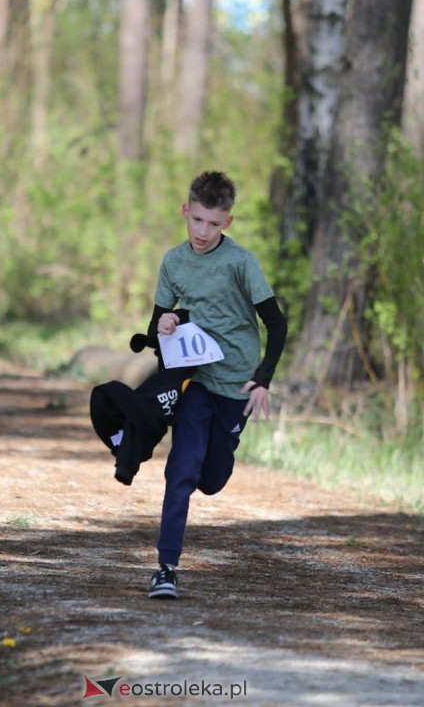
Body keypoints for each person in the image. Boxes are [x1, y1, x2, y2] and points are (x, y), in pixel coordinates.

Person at [144, 170, 288, 599]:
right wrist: (164, 322)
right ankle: (166, 568)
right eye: (197, 220)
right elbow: (156, 325)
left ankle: (213, 464)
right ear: (186, 212)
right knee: (181, 471)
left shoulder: (241, 262)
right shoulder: (173, 261)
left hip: (237, 387)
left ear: (227, 222)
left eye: (213, 223)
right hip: (196, 381)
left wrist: (262, 380)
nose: (202, 232)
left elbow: (276, 325)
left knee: (212, 478)